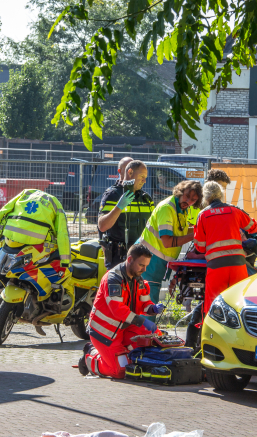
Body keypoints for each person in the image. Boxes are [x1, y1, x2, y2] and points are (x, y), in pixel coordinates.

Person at [79, 244, 165, 379]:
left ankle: (124, 355)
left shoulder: (138, 278)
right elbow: (117, 310)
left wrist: (152, 308)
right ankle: (90, 357)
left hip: (124, 328)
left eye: (146, 266)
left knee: (154, 337)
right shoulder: (113, 278)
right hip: (105, 333)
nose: (144, 269)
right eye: (142, 265)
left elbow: (144, 303)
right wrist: (143, 321)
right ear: (130, 260)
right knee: (119, 371)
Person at [194, 181, 257, 315]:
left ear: (205, 197)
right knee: (239, 304)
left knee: (213, 307)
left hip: (216, 267)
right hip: (238, 265)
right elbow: (255, 228)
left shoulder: (203, 215)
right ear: (222, 194)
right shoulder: (234, 210)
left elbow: (200, 247)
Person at [139, 180, 203, 303]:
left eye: (193, 200)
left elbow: (181, 230)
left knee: (150, 301)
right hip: (149, 261)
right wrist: (196, 234)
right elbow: (167, 243)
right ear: (180, 192)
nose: (188, 202)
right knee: (148, 303)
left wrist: (201, 228)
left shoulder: (182, 208)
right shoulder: (167, 208)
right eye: (187, 196)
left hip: (156, 261)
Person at [0, 188, 71, 267]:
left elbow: (1, 213)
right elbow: (62, 232)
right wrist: (65, 261)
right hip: (37, 243)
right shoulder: (55, 202)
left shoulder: (25, 193)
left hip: (10, 238)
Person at [97, 160, 154, 270]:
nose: (144, 180)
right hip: (118, 260)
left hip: (141, 260)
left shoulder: (146, 199)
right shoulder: (113, 195)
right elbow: (102, 226)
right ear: (130, 172)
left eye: (145, 177)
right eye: (142, 176)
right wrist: (119, 207)